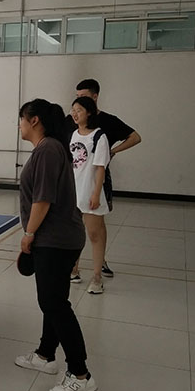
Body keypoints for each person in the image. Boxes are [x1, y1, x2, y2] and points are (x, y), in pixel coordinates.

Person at [14, 98, 97, 391]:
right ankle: (45, 355)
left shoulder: (48, 149)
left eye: (21, 119)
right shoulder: (47, 148)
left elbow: (43, 199)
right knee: (53, 299)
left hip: (56, 240)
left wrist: (29, 233)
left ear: (34, 120)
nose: (19, 125)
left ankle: (80, 374)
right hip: (58, 238)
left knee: (54, 303)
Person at [66, 78, 141, 281]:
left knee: (96, 227)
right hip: (75, 182)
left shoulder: (107, 124)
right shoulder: (71, 124)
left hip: (97, 181)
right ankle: (73, 268)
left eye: (83, 98)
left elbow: (135, 137)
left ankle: (99, 266)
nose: (76, 108)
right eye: (76, 99)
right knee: (75, 227)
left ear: (95, 97)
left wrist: (112, 152)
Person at [70, 97, 110, 295]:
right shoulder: (74, 135)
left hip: (90, 193)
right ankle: (74, 270)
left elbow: (100, 168)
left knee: (94, 235)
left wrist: (95, 194)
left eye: (79, 110)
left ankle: (97, 278)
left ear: (89, 113)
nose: (74, 114)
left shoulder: (99, 136)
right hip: (74, 193)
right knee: (74, 234)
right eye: (73, 110)